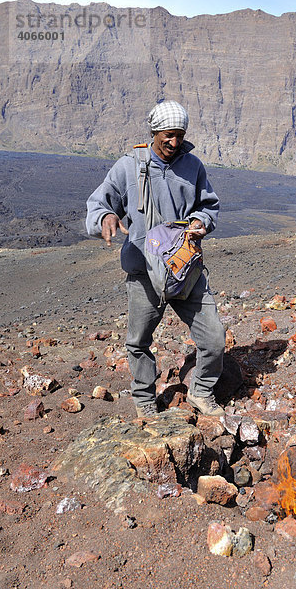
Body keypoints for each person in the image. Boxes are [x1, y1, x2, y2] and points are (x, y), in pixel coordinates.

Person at [86, 100, 225, 418]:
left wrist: (203, 221)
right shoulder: (128, 166)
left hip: (185, 269)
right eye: (168, 136)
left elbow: (208, 205)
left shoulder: (193, 167)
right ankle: (145, 401)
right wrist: (106, 216)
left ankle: (201, 392)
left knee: (214, 337)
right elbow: (100, 201)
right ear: (154, 132)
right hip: (145, 272)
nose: (174, 143)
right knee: (138, 341)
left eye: (180, 136)